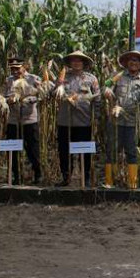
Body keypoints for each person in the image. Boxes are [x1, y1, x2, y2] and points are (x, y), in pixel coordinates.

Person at [103, 50, 140, 189]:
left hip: (133, 121)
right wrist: (106, 91)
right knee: (112, 150)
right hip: (115, 119)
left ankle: (132, 183)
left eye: (136, 60)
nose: (133, 62)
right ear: (126, 63)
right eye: (131, 60)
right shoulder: (116, 77)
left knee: (131, 151)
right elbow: (105, 89)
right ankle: (109, 181)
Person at [54, 51, 100, 186]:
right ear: (69, 63)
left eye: (79, 61)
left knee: (84, 151)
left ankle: (85, 178)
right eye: (73, 61)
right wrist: (58, 86)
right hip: (65, 121)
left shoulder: (91, 79)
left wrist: (96, 117)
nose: (76, 63)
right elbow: (53, 94)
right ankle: (66, 177)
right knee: (64, 151)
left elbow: (97, 98)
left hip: (84, 121)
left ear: (84, 63)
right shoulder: (63, 78)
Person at [3, 57, 44, 184]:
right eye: (12, 69)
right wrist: (7, 100)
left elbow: (41, 95)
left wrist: (27, 99)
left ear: (24, 67)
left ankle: (37, 174)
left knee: (32, 148)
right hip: (13, 120)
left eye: (17, 68)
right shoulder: (8, 81)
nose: (15, 71)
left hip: (29, 120)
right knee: (13, 150)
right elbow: (3, 95)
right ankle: (16, 176)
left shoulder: (33, 79)